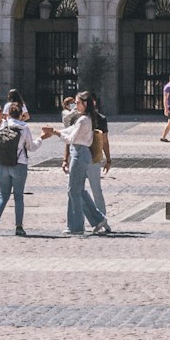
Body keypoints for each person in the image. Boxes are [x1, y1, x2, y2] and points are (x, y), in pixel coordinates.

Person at [0, 101, 40, 236]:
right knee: (18, 197)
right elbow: (31, 147)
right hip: (19, 164)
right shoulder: (24, 128)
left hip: (2, 164)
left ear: (8, 114)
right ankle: (19, 227)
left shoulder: (3, 124)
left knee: (3, 195)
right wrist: (41, 138)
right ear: (21, 114)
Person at [62, 91, 98, 236]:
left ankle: (76, 226)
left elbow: (71, 137)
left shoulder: (83, 120)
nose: (74, 105)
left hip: (79, 153)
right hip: (79, 152)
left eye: (77, 103)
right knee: (79, 190)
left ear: (85, 104)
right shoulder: (83, 118)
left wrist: (56, 133)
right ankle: (97, 219)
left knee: (73, 191)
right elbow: (70, 130)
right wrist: (55, 131)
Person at [77, 90, 113, 235]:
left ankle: (101, 218)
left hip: (92, 157)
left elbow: (104, 140)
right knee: (84, 190)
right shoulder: (79, 118)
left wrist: (108, 158)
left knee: (91, 189)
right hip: (87, 157)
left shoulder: (99, 118)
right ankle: (86, 220)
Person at [159, 73, 170, 144]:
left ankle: (163, 136)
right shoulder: (168, 87)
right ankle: (163, 136)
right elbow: (165, 98)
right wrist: (166, 108)